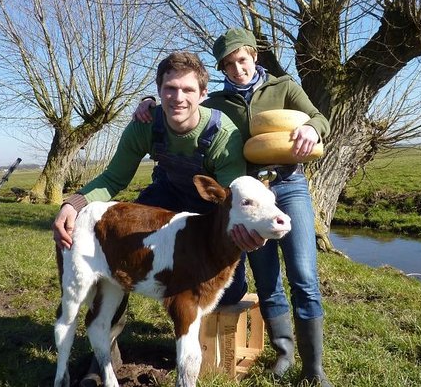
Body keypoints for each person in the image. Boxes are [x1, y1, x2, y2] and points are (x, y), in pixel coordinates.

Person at [135, 28, 332, 386]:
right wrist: (149, 102)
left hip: (288, 186)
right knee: (266, 275)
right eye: (228, 65)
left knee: (303, 273)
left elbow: (319, 118)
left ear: (254, 56)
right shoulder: (219, 102)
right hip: (248, 197)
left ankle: (314, 369)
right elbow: (182, 105)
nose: (237, 69)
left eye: (242, 60)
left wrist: (313, 131)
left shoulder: (284, 87)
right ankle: (283, 352)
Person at [53, 51, 260, 386]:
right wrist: (73, 204)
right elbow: (113, 178)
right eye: (170, 89)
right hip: (166, 197)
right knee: (122, 254)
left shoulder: (224, 135)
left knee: (231, 289)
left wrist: (240, 236)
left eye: (188, 90)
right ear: (159, 90)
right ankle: (104, 353)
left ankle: (185, 340)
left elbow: (231, 200)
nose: (178, 97)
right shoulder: (145, 124)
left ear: (202, 94)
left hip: (210, 209)